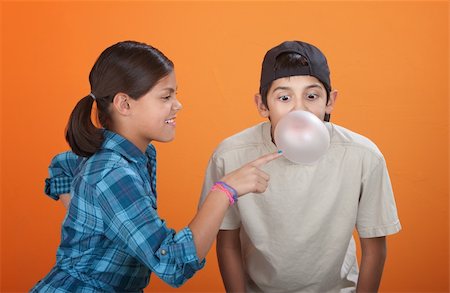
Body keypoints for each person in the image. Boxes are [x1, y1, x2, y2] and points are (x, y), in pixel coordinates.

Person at [32, 40, 281, 292]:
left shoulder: (134, 154)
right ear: (124, 104)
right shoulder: (112, 173)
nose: (178, 104)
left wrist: (89, 218)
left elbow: (61, 165)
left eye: (175, 94)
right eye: (166, 96)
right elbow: (172, 264)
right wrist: (224, 191)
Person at [199, 40, 401, 292]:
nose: (299, 109)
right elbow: (227, 243)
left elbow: (374, 248)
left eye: (312, 96)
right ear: (263, 105)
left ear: (330, 101)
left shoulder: (363, 156)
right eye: (284, 97)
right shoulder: (230, 156)